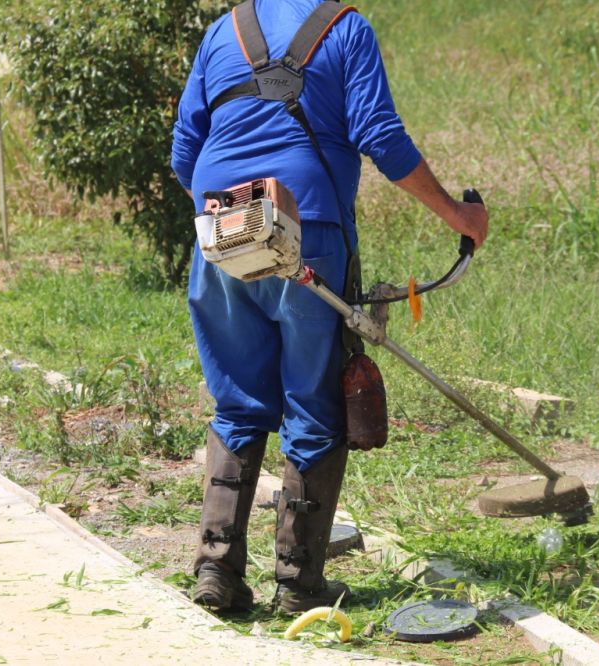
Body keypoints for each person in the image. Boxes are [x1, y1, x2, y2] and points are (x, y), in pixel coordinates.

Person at [171, 0, 488, 614]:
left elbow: (186, 149)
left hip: (219, 233)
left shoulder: (221, 31)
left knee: (237, 400)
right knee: (314, 402)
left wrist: (234, 220)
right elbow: (381, 136)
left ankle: (216, 570)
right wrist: (459, 215)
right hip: (308, 230)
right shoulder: (346, 28)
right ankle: (297, 582)